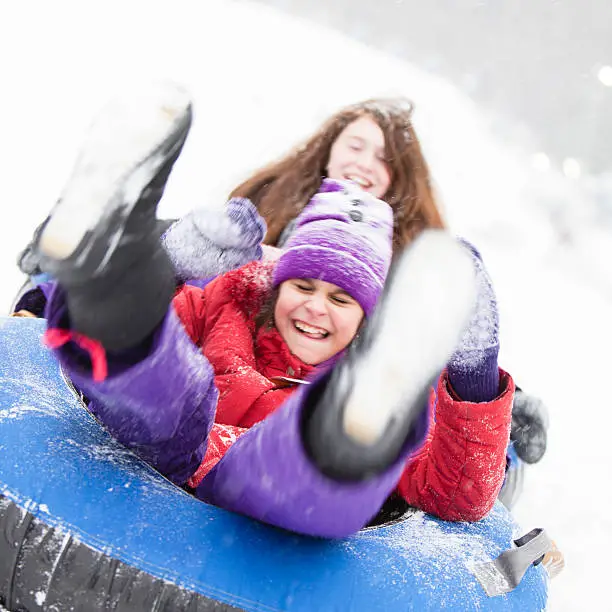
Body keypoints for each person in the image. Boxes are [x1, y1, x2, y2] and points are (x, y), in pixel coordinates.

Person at [32, 82, 514, 537]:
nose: (315, 308)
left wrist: (474, 376)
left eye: (341, 299)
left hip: (268, 491)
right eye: (302, 285)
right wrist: (169, 267)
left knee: (282, 462)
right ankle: (109, 285)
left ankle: (348, 425)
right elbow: (169, 329)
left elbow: (457, 493)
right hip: (173, 448)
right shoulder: (230, 292)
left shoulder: (409, 310)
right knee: (174, 389)